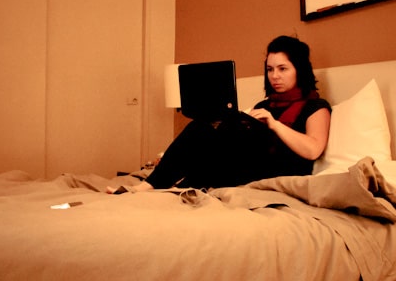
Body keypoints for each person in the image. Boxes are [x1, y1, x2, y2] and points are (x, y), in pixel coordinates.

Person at [108, 35, 331, 193]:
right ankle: (159, 185)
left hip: (280, 170)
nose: (275, 76)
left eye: (283, 69)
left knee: (220, 132)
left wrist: (273, 124)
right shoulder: (266, 103)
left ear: (299, 70)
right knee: (205, 126)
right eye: (270, 69)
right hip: (248, 165)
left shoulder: (315, 106)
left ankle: (163, 185)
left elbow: (312, 150)